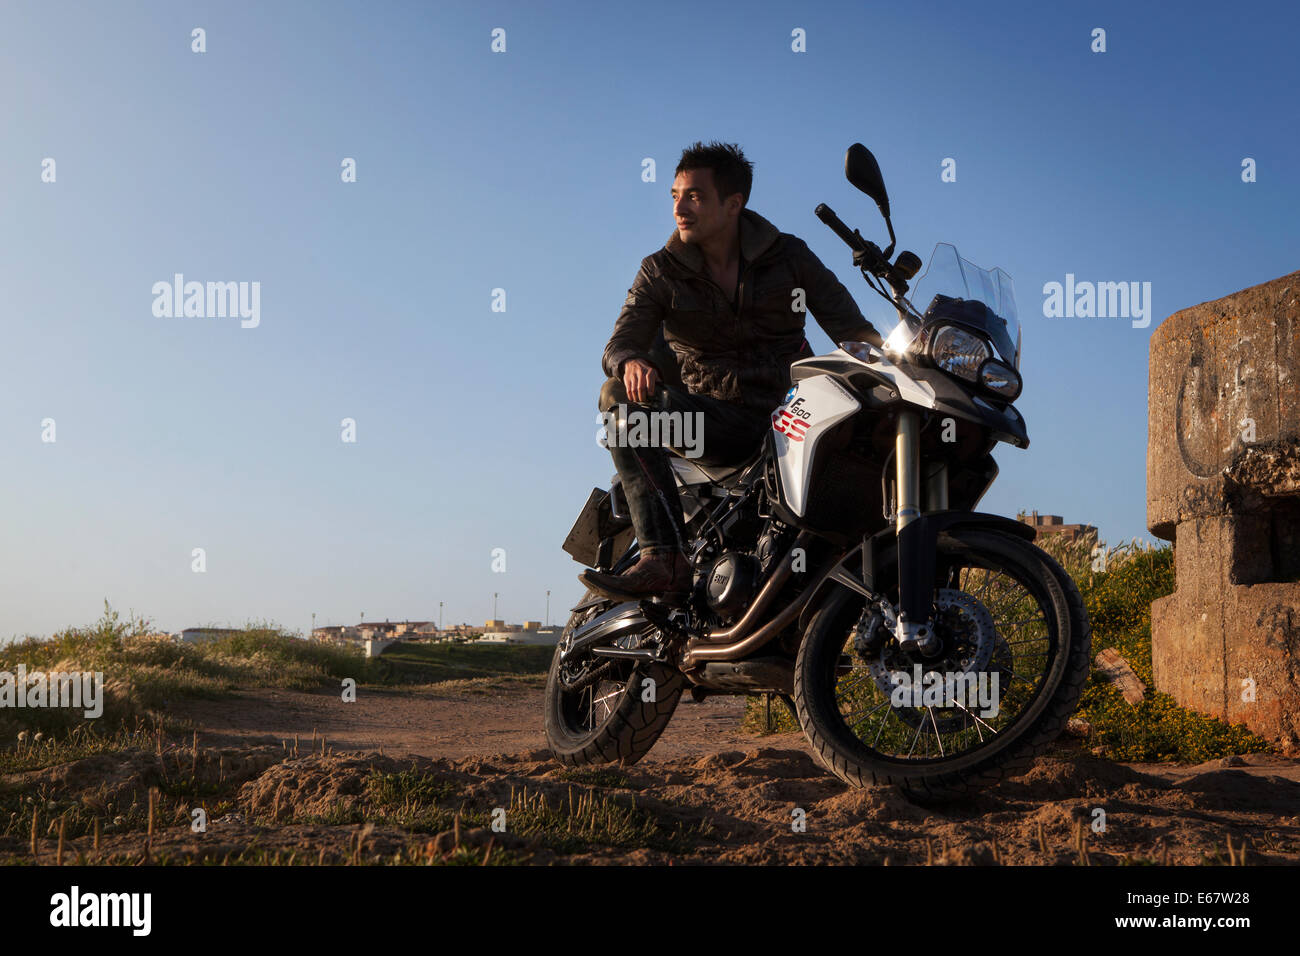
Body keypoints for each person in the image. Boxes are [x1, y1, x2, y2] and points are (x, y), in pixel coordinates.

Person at [579, 141, 883, 602]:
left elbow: (855, 332)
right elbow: (619, 343)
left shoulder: (790, 257)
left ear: (733, 204)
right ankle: (664, 557)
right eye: (675, 195)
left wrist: (901, 356)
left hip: (793, 420)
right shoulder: (659, 271)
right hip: (710, 425)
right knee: (616, 397)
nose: (679, 207)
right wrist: (631, 361)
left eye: (694, 196)